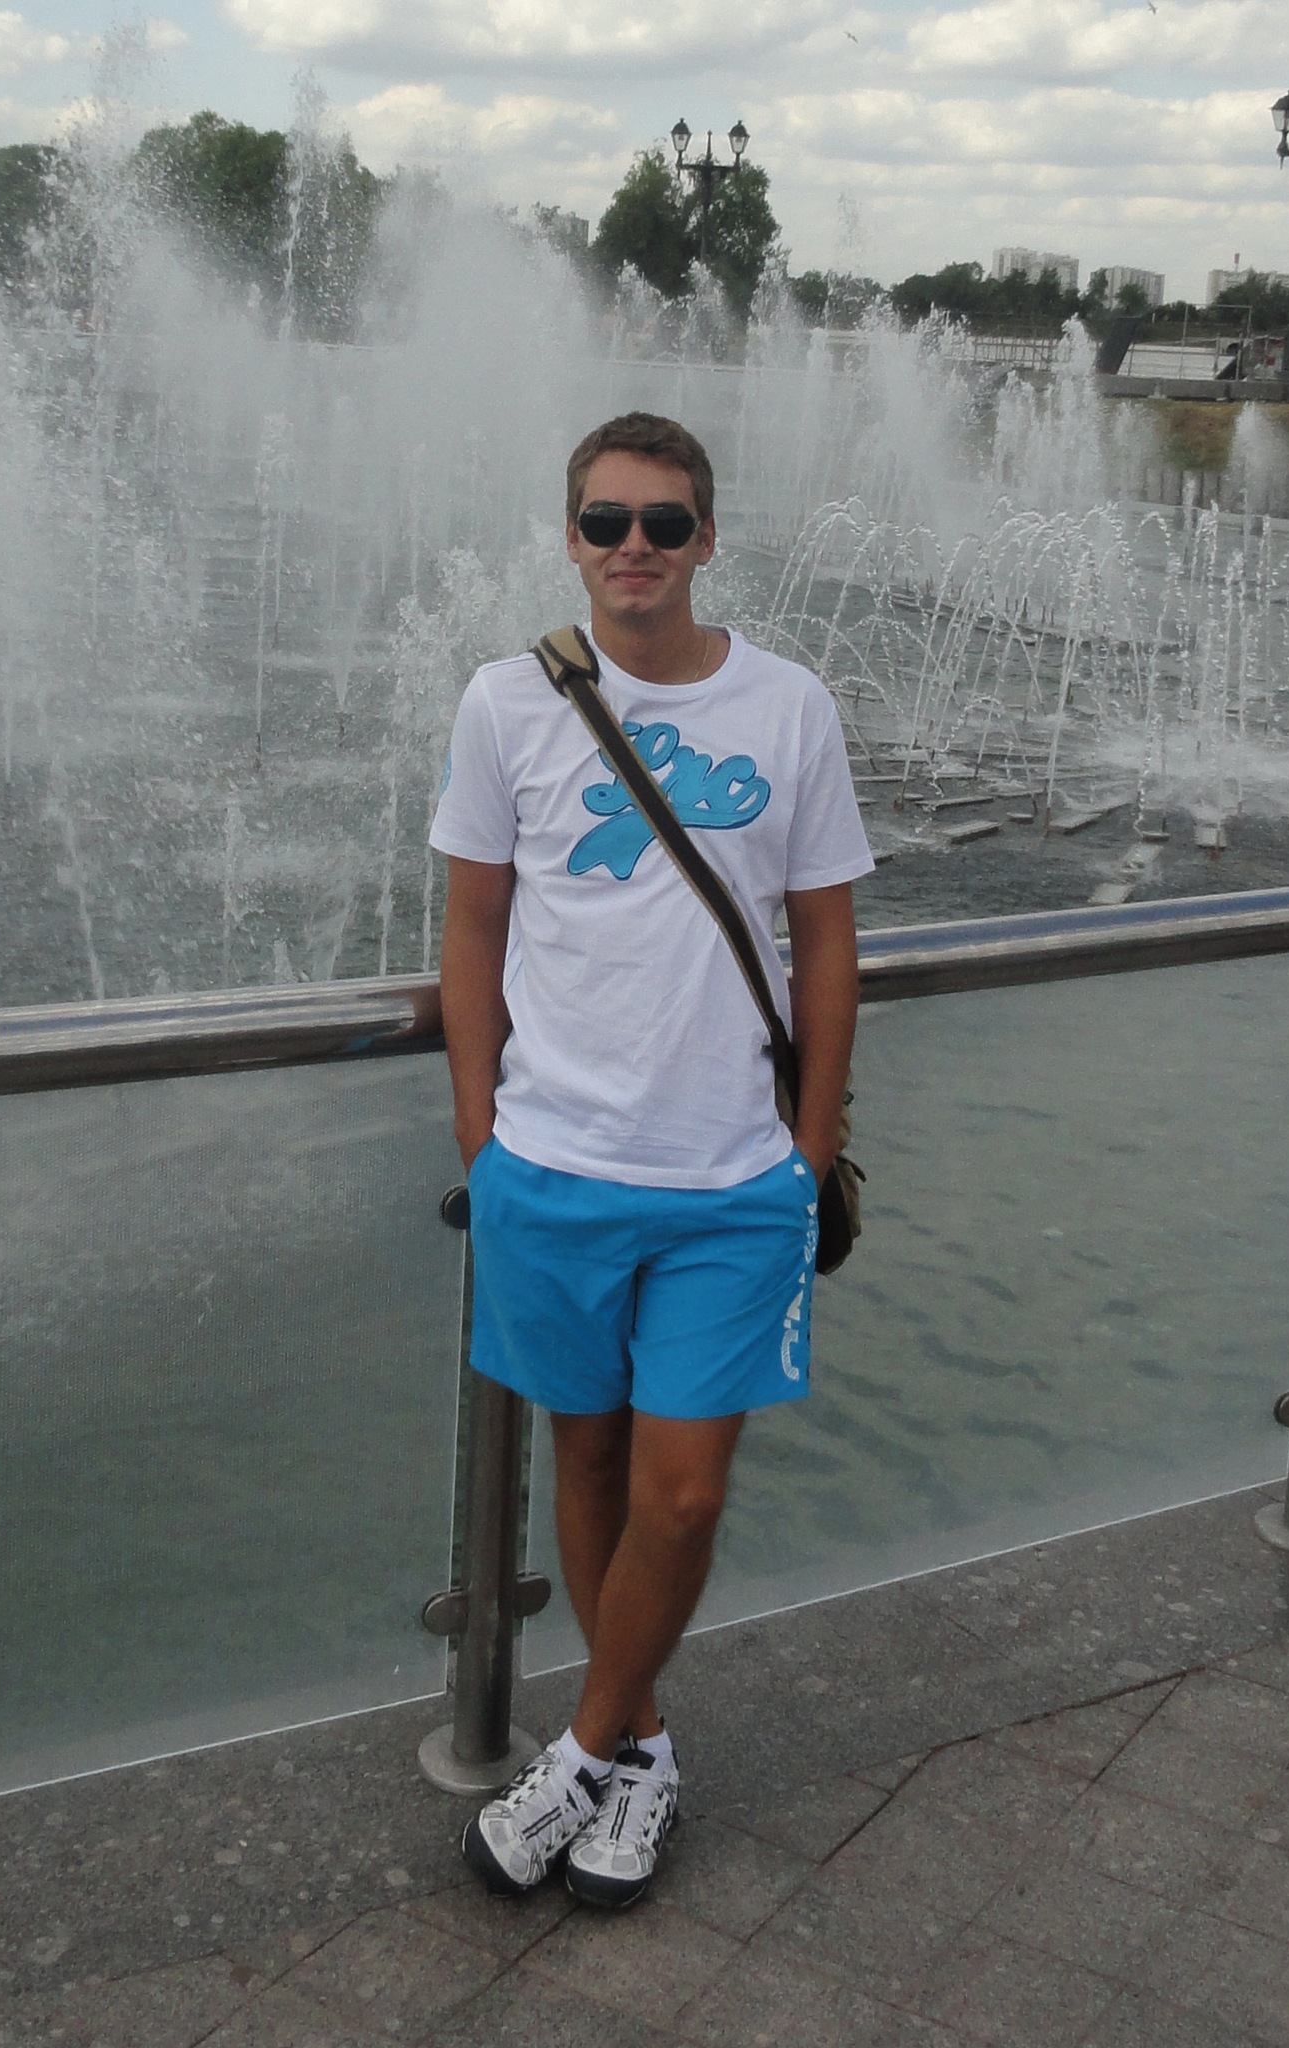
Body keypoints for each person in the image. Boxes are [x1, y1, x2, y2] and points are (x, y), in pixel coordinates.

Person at [426, 411, 872, 1909]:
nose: (635, 547)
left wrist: (808, 1152)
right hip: (551, 1164)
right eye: (608, 521)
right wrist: (482, 1138)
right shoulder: (507, 703)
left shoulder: (788, 705)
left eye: (664, 523)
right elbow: (473, 925)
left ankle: (580, 1747)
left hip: (732, 1179)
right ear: (570, 538)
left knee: (680, 1497)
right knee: (591, 1462)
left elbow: (827, 941)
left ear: (705, 539)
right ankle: (643, 1752)